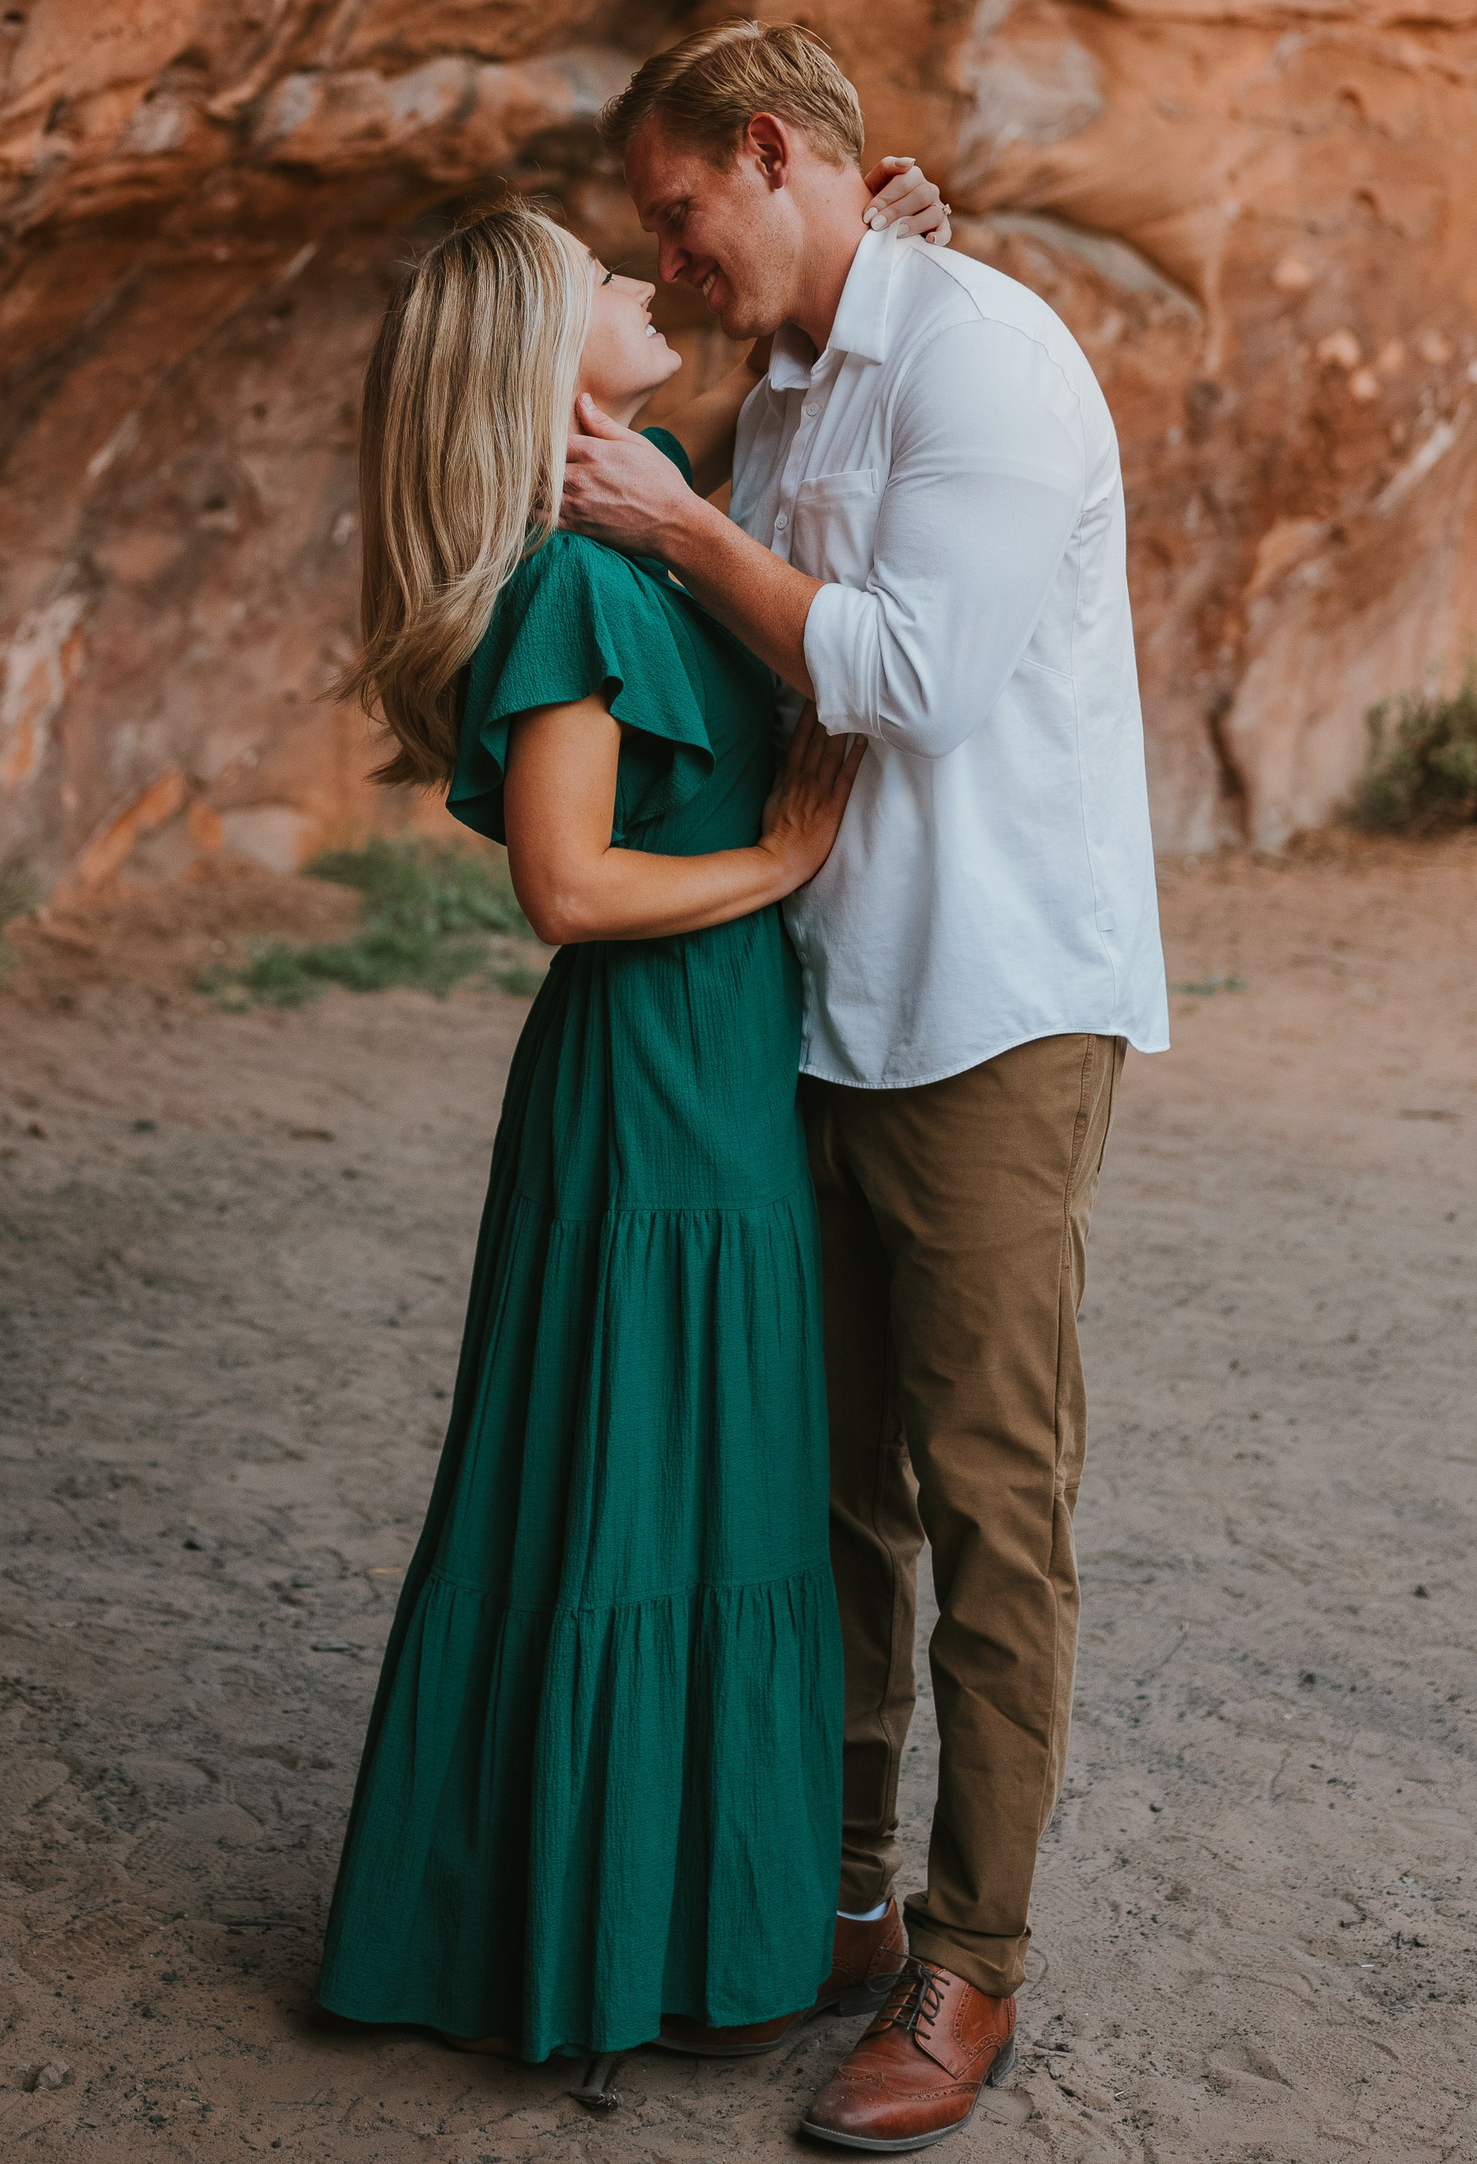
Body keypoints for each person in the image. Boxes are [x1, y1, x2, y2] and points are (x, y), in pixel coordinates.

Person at [561, 21, 1169, 2155]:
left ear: (768, 153)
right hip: (813, 998)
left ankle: (966, 1962)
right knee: (827, 1492)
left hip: (994, 1003)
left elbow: (906, 674)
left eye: (675, 213)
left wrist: (669, 520)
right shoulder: (803, 376)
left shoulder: (984, 362)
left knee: (993, 1498)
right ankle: (819, 1898)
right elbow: (757, 656)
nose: (667, 251)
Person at [314, 160, 952, 2062]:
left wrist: (888, 254)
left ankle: (666, 1929)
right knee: (617, 1509)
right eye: (604, 272)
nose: (640, 275)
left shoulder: (646, 539)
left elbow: (803, 418)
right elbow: (568, 889)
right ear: (545, 354)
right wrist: (773, 863)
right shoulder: (581, 584)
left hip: (719, 1086)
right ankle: (579, 1951)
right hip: (648, 1091)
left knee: (700, 1500)